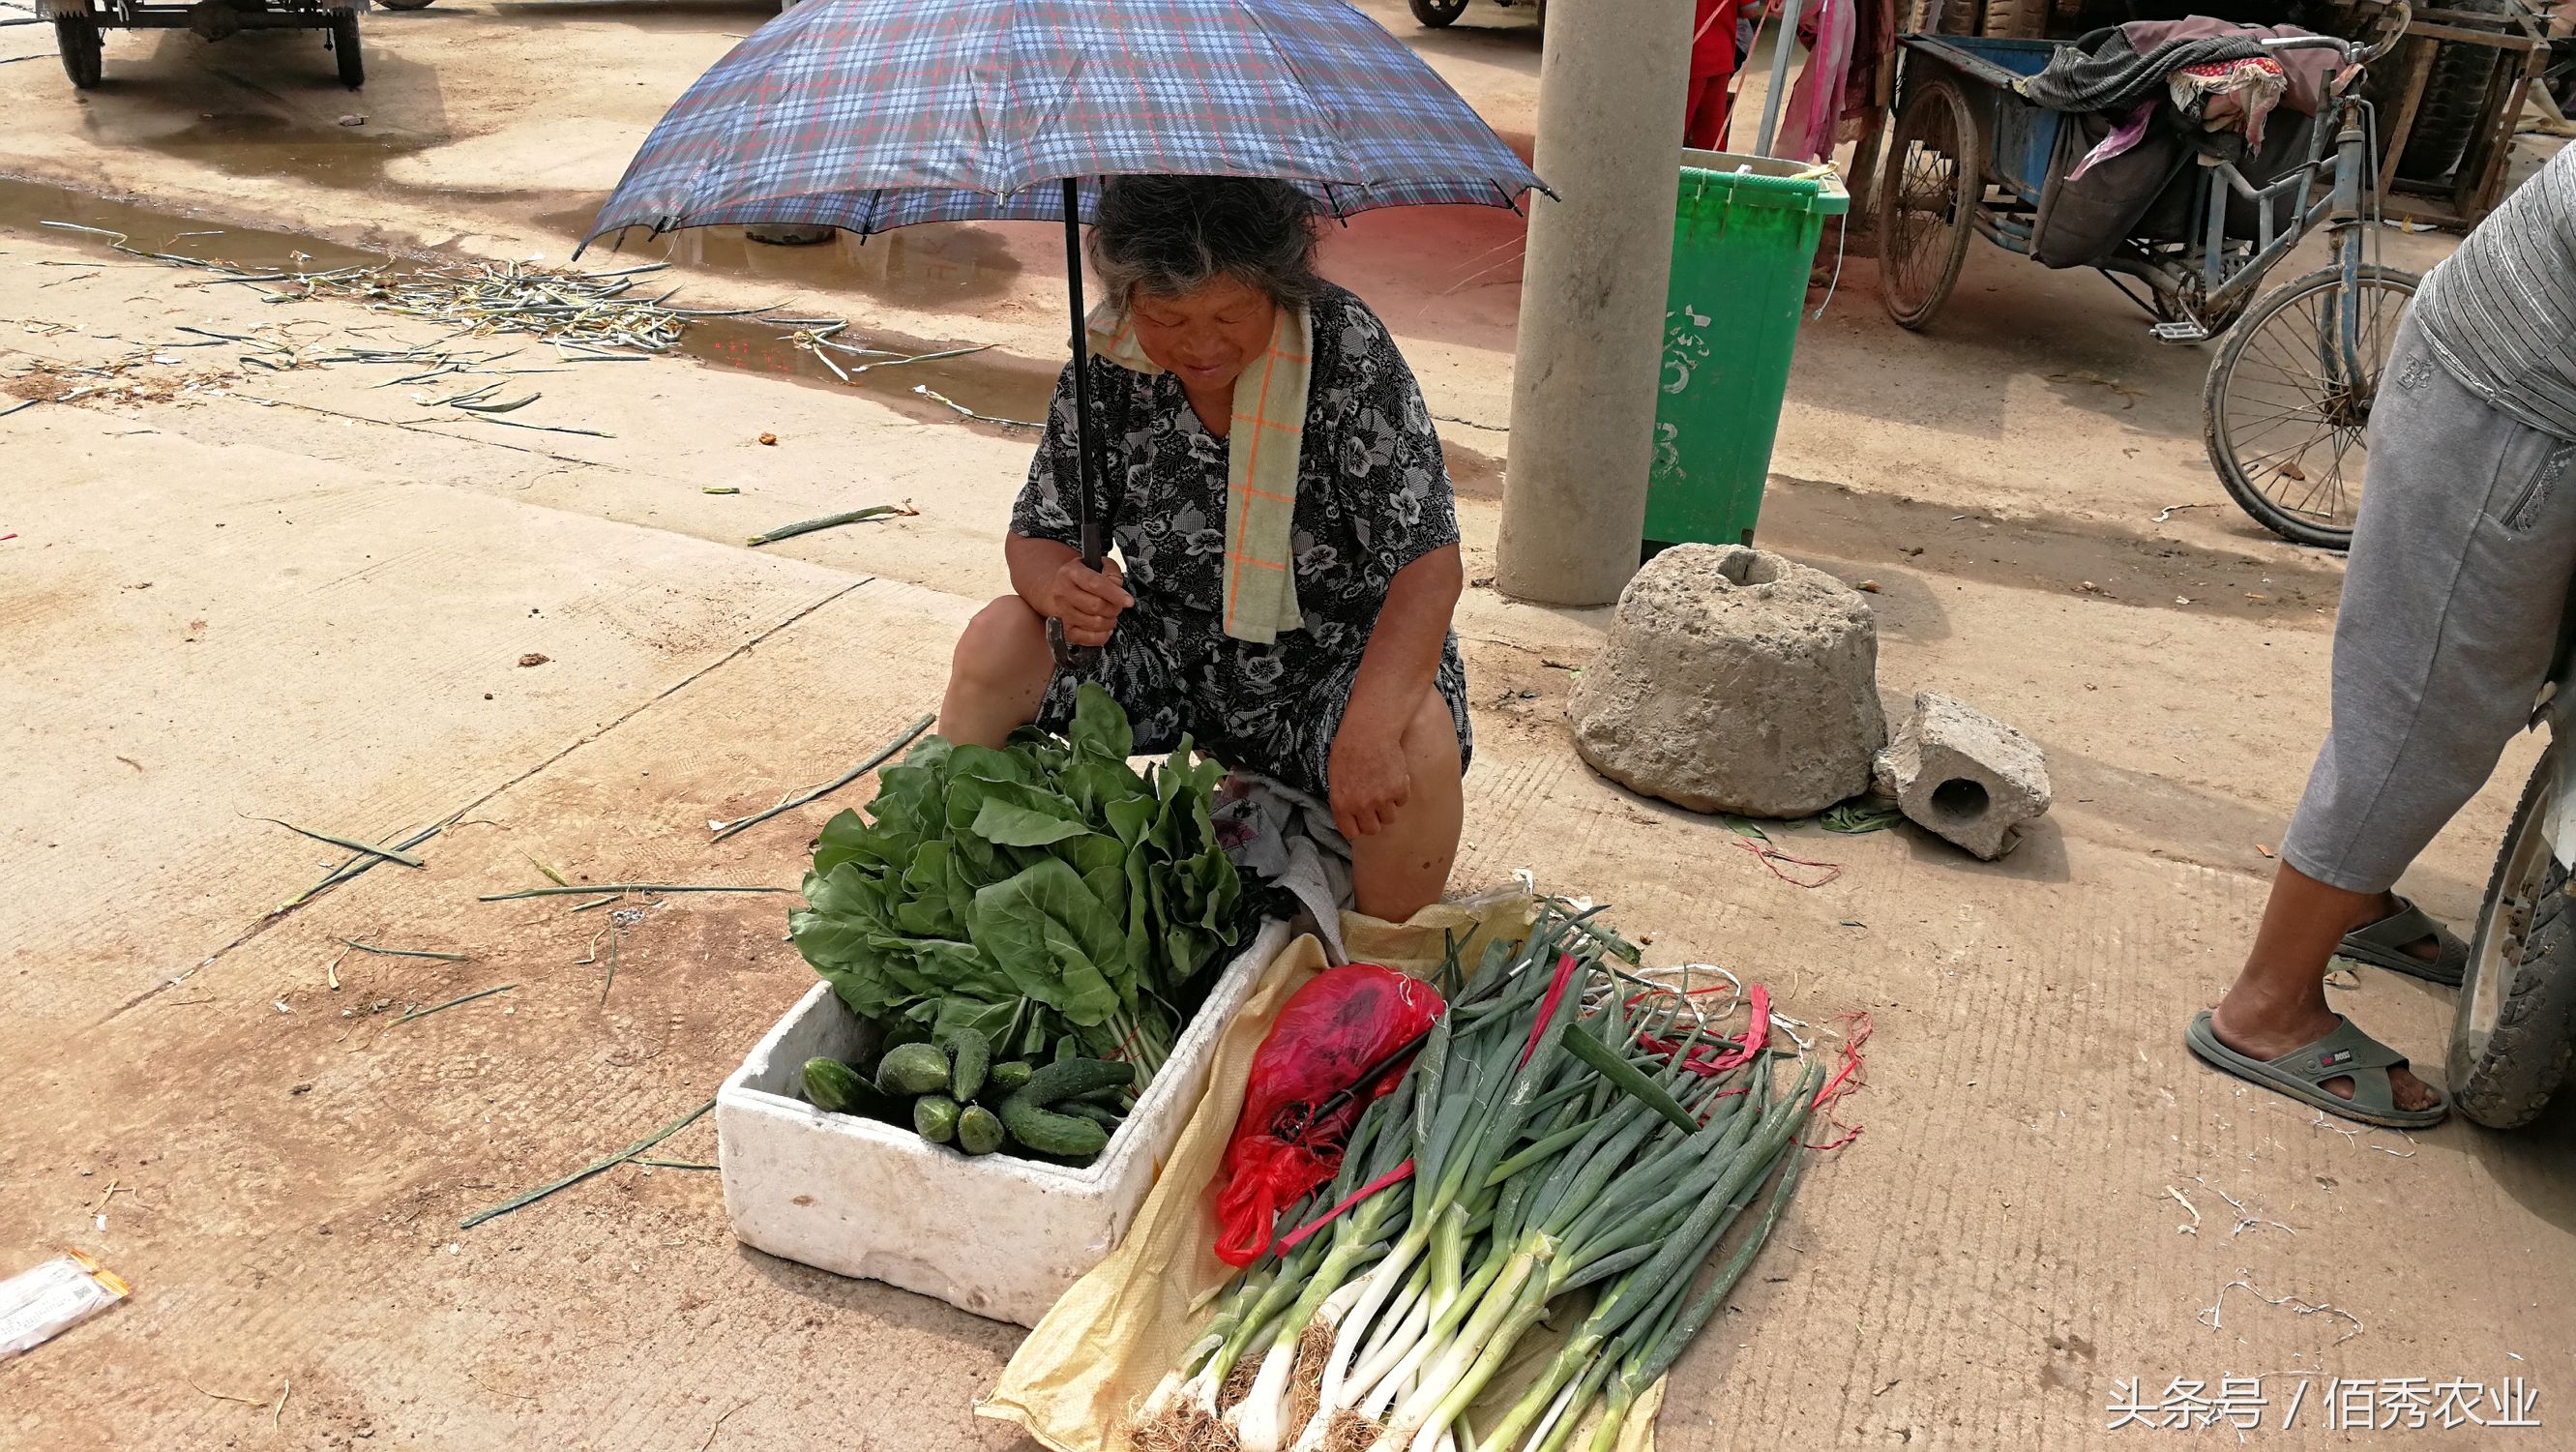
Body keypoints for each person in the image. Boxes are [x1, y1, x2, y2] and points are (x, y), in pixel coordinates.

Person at [939, 174, 1470, 923]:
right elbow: (1039, 530)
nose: (1200, 345)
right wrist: (1059, 584)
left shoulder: (1344, 346)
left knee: (1412, 738)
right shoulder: (1109, 360)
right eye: (1167, 317)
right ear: (1129, 299)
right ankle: (959, 877)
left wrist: (1369, 730)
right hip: (1170, 658)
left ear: (1278, 286)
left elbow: (1428, 567)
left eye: (1229, 314)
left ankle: (1377, 959)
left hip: (1327, 666)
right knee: (998, 637)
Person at [2187, 145, 2576, 1128]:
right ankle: (2266, 1006)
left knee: (2444, 694)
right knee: (2419, 719)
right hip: (2511, 412)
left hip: (2505, 373)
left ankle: (2353, 895)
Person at [1687, 0, 1742, 150]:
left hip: (1687, 58)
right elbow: (1751, 9)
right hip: (1720, 55)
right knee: (1711, 136)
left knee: (1670, 133)